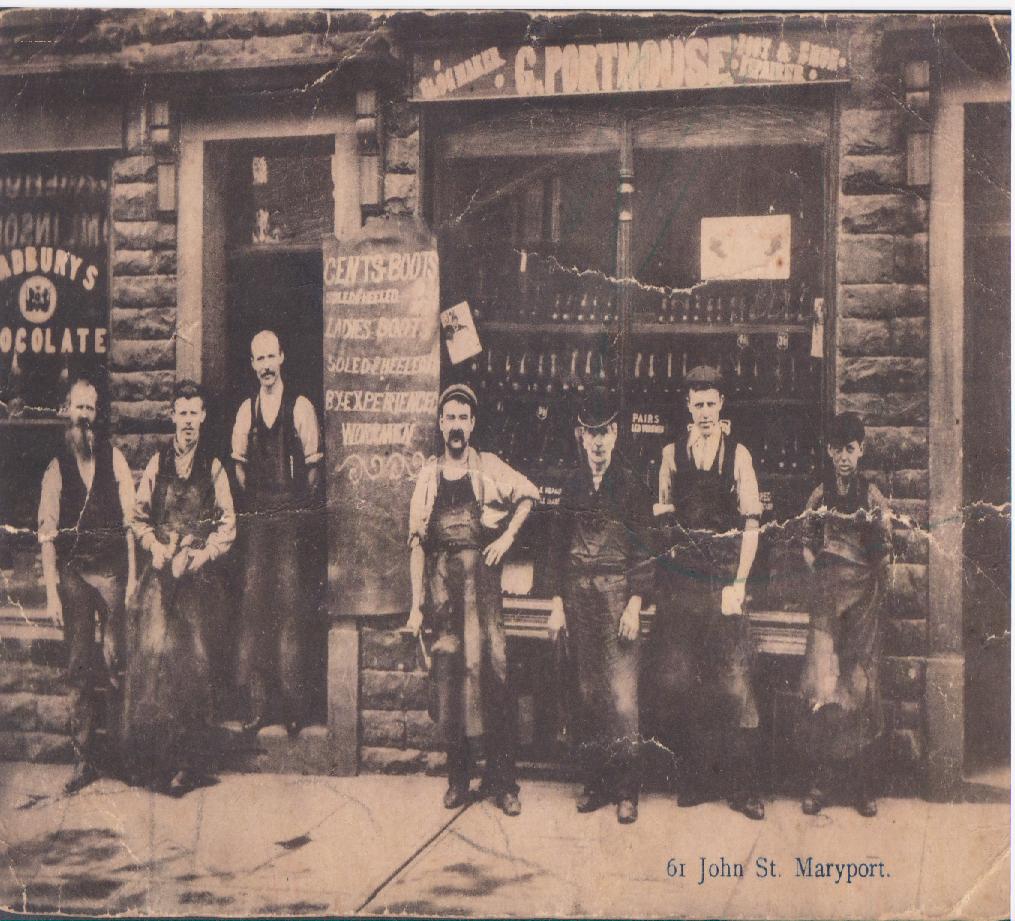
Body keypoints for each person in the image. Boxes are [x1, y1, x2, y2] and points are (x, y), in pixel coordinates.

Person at [406, 383, 537, 817]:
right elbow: (417, 545)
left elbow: (529, 494)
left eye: (464, 418)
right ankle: (458, 778)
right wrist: (414, 605)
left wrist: (506, 541)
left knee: (494, 671)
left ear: (472, 423)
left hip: (482, 589)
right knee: (450, 680)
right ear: (441, 425)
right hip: (444, 593)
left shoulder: (488, 468)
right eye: (450, 418)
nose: (457, 426)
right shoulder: (429, 477)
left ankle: (504, 783)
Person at [649, 365, 766, 820]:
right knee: (686, 681)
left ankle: (744, 788)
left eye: (710, 404)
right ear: (687, 406)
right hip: (684, 586)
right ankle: (696, 779)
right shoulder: (671, 455)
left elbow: (752, 525)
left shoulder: (738, 455)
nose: (703, 412)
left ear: (722, 405)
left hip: (724, 584)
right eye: (696, 404)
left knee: (735, 682)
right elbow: (662, 522)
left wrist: (739, 583)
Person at [123, 380, 236, 793]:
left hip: (197, 579)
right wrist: (154, 547)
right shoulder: (157, 464)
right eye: (182, 413)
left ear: (203, 417)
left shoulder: (214, 467)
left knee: (193, 659)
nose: (188, 422)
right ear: (173, 416)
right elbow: (137, 518)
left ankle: (188, 764)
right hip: (161, 573)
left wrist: (201, 555)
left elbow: (228, 526)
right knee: (153, 652)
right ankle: (151, 761)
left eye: (194, 413)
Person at [547, 390, 654, 825]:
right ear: (580, 436)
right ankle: (596, 783)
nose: (597, 443)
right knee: (588, 695)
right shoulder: (571, 486)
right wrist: (556, 604)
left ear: (615, 434)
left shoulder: (631, 485)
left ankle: (627, 789)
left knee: (623, 698)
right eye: (589, 434)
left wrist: (634, 603)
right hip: (578, 601)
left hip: (616, 600)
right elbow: (555, 551)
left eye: (604, 433)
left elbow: (645, 553)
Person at [37, 374, 136, 794]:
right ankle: (83, 759)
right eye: (78, 407)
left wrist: (131, 580)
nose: (84, 416)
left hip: (113, 572)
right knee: (79, 665)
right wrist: (50, 594)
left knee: (116, 663)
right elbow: (47, 535)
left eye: (91, 409)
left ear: (98, 415)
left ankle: (121, 755)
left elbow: (132, 524)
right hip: (75, 576)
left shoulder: (115, 461)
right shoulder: (56, 469)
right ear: (67, 412)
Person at [798, 412, 891, 817]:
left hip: (864, 607)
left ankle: (862, 786)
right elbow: (805, 544)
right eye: (837, 449)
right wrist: (821, 573)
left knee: (859, 686)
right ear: (829, 451)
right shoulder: (819, 497)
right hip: (826, 605)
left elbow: (886, 555)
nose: (843, 458)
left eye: (851, 449)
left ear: (861, 450)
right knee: (823, 684)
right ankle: (821, 782)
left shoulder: (873, 497)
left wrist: (868, 590)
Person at [232, 330, 322, 736]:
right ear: (251, 364)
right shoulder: (246, 411)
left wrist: (293, 505)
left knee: (288, 610)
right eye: (259, 359)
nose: (266, 366)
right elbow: (239, 468)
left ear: (282, 357)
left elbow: (314, 471)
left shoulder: (300, 407)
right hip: (257, 519)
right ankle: (257, 706)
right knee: (255, 609)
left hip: (288, 520)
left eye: (272, 356)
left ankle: (293, 707)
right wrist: (257, 502)